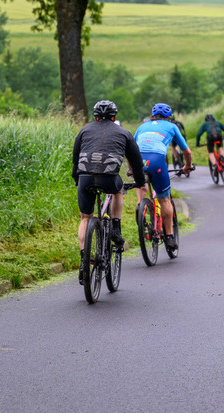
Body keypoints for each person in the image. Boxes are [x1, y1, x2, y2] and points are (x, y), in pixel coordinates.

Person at [72, 100, 147, 284]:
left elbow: (75, 159)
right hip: (108, 177)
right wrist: (139, 182)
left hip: (85, 177)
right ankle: (115, 226)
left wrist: (77, 179)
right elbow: (136, 163)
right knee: (118, 190)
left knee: (85, 218)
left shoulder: (84, 130)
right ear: (114, 117)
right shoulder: (124, 133)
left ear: (95, 117)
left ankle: (84, 261)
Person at [134, 103, 193, 252]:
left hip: (138, 163)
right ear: (169, 117)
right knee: (165, 199)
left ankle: (140, 207)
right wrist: (187, 166)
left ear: (153, 115)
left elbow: (131, 149)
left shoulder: (142, 127)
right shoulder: (172, 126)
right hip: (157, 162)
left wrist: (131, 169)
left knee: (142, 184)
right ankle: (169, 237)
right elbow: (187, 151)